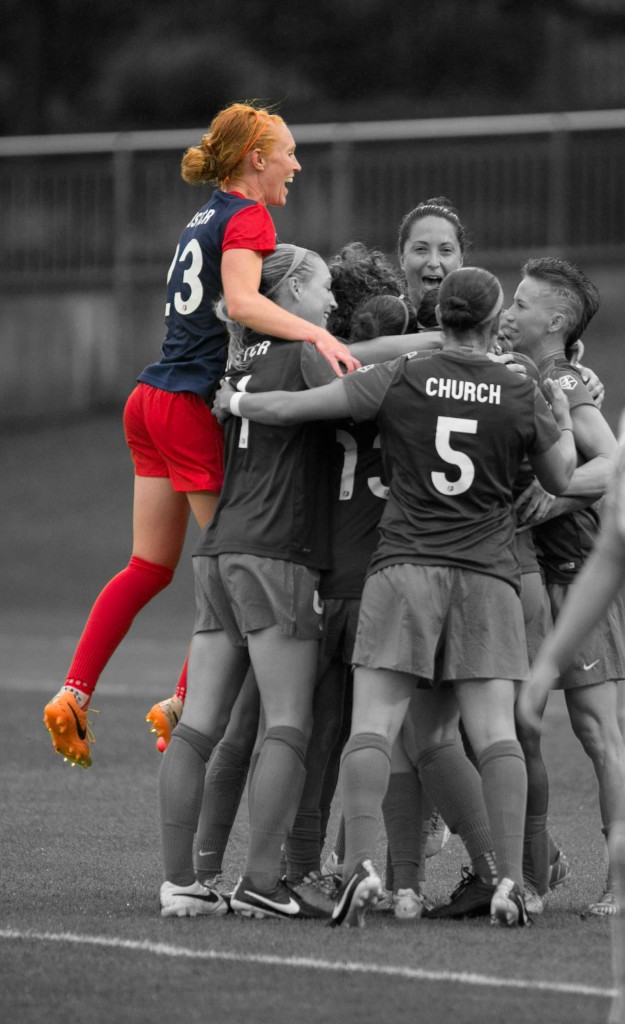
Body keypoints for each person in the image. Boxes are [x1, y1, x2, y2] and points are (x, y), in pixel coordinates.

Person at [214, 265, 577, 928]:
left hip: (403, 568)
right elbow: (560, 475)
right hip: (486, 572)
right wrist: (558, 420)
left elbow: (299, 408)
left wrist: (237, 402)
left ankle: (362, 869)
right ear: (494, 321)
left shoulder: (403, 375)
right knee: (493, 733)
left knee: (373, 726)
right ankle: (512, 883)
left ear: (439, 313)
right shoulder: (518, 386)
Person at [42, 101, 358, 769]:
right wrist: (318, 331)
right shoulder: (249, 215)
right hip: (186, 404)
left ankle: (74, 690)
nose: (296, 164)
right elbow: (241, 303)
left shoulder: (203, 215)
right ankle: (184, 700)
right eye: (288, 152)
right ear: (256, 159)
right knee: (231, 559)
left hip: (146, 397)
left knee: (149, 565)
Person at [505, 258, 625, 917]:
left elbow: (610, 466)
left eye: (521, 303)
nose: (509, 309)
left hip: (578, 575)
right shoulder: (519, 372)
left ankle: (619, 884)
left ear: (554, 322)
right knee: (516, 727)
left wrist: (553, 497)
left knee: (596, 731)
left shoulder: (569, 382)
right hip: (524, 573)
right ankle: (532, 870)